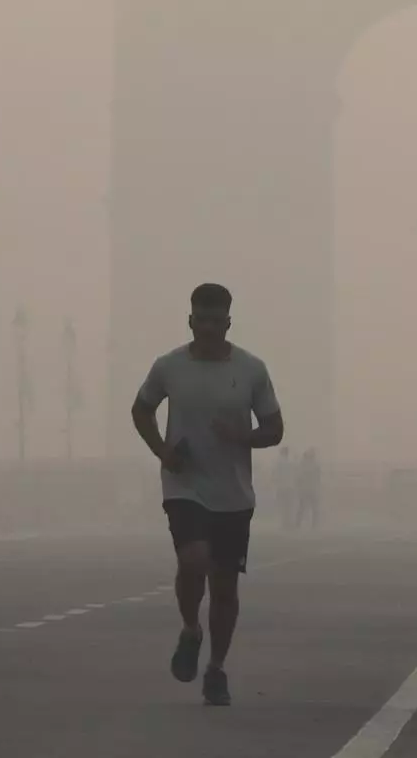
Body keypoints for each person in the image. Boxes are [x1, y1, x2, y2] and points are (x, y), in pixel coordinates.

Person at [130, 282, 284, 708]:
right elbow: (141, 409)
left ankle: (216, 668)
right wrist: (162, 451)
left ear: (228, 323)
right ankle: (190, 628)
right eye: (202, 320)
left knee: (224, 587)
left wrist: (243, 436)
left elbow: (275, 428)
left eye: (217, 321)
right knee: (193, 559)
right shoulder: (169, 367)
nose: (209, 329)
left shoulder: (251, 370)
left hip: (233, 492)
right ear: (190, 320)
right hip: (184, 484)